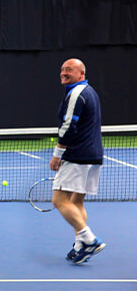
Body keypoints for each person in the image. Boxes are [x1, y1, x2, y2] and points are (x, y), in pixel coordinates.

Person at [49, 58, 105, 264]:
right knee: (76, 201)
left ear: (81, 73)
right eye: (62, 69)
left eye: (69, 70)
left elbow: (68, 126)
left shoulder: (77, 93)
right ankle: (80, 245)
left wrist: (57, 154)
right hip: (93, 155)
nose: (64, 72)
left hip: (77, 155)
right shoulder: (90, 92)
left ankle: (89, 239)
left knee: (59, 200)